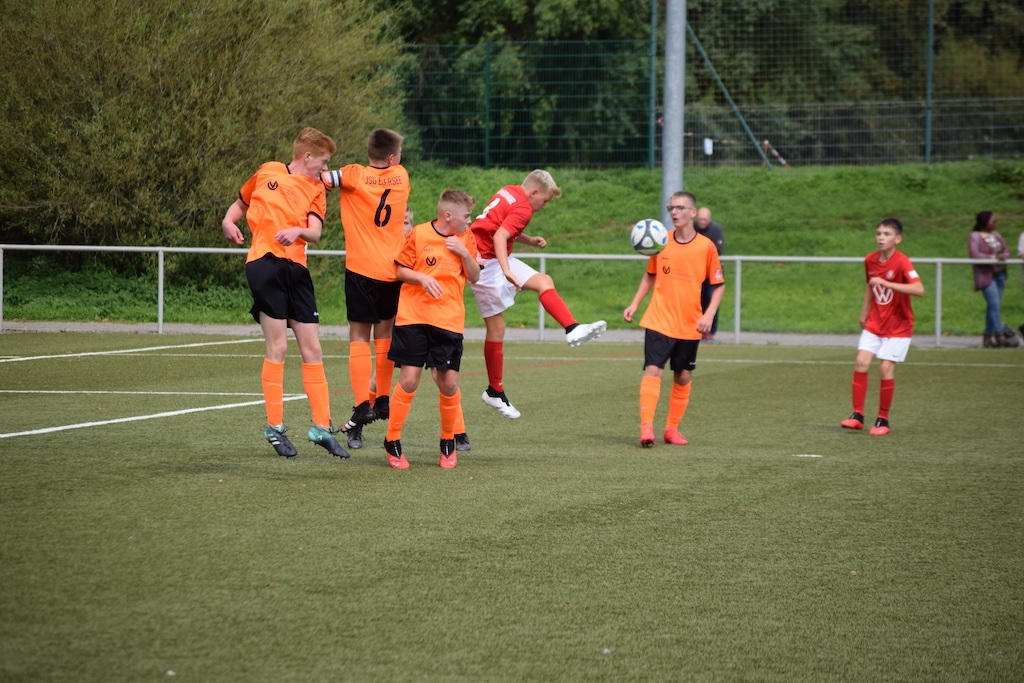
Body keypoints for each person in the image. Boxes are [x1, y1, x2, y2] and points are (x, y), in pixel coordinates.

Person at [221, 127, 349, 459]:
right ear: (307, 156)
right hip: (264, 263)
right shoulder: (268, 170)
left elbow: (315, 233)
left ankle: (321, 428)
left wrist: (298, 231)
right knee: (278, 346)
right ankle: (274, 427)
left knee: (313, 348)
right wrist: (228, 220)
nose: (325, 168)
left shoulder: (317, 188)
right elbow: (241, 202)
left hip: (296, 269)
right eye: (323, 161)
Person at [468, 170, 607, 419]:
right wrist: (506, 270)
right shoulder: (524, 208)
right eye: (544, 200)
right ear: (533, 193)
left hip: (495, 256)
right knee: (496, 329)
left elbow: (500, 227)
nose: (544, 206)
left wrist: (529, 240)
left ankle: (572, 327)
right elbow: (500, 236)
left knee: (544, 281)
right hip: (485, 262)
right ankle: (494, 391)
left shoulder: (509, 191)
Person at [321, 128, 410, 448]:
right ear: (392, 157)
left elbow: (321, 178)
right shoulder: (402, 176)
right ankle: (383, 399)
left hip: (360, 268)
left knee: (359, 338)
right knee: (384, 337)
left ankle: (362, 405)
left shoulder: (353, 175)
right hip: (392, 270)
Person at [382, 189, 480, 469]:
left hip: (448, 321)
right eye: (466, 216)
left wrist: (464, 253)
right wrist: (421, 278)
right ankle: (392, 440)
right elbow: (400, 271)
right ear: (448, 215)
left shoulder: (466, 238)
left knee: (449, 384)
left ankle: (448, 441)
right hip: (413, 318)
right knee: (409, 380)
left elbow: (474, 276)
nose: (469, 221)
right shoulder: (419, 234)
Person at [623, 192, 724, 447]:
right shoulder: (660, 241)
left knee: (683, 375)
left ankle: (671, 430)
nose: (674, 212)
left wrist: (709, 315)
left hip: (690, 323)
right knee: (653, 369)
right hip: (659, 318)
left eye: (680, 207)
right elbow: (650, 274)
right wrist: (635, 303)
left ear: (693, 212)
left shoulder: (706, 247)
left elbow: (719, 285)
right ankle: (646, 428)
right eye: (671, 208)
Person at [840, 218, 925, 435]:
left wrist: (888, 283)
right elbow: (871, 285)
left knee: (885, 368)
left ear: (898, 239)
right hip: (875, 322)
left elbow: (919, 289)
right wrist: (864, 311)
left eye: (887, 234)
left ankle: (882, 420)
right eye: (878, 233)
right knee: (861, 362)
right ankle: (857, 415)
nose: (881, 238)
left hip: (899, 326)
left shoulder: (902, 262)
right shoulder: (870, 260)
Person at [968, 211, 1011, 347]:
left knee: (994, 305)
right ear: (985, 222)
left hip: (1000, 274)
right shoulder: (975, 236)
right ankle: (999, 334)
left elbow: (1006, 251)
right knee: (994, 303)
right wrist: (992, 257)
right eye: (993, 221)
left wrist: (1003, 256)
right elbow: (974, 253)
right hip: (986, 274)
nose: (996, 223)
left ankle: (987, 336)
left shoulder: (996, 235)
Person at [694, 207, 725, 341]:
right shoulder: (693, 227)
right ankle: (695, 328)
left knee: (710, 299)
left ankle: (710, 331)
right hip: (696, 272)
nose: (702, 222)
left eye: (705, 220)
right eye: (700, 219)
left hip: (711, 272)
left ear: (709, 220)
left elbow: (718, 250)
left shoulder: (715, 229)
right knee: (696, 300)